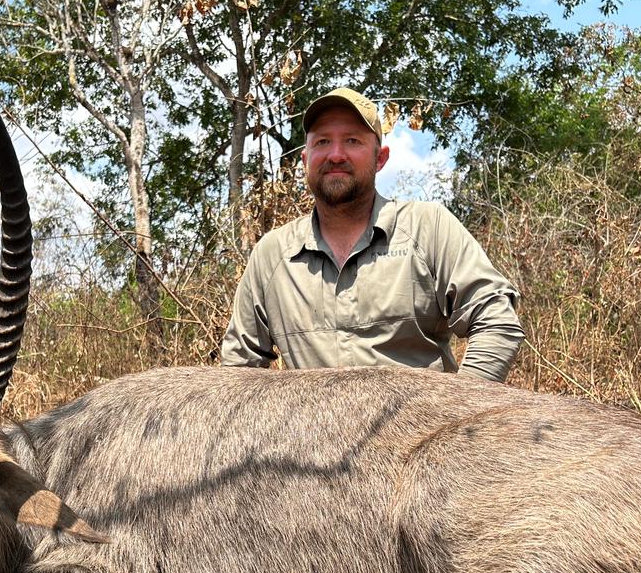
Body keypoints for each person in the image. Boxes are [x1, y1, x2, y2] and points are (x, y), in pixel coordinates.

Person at [220, 87, 524, 380]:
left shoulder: (427, 228)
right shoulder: (272, 254)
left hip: (423, 431)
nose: (336, 155)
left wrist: (459, 410)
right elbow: (239, 368)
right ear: (305, 161)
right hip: (311, 433)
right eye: (322, 142)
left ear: (380, 159)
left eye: (352, 141)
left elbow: (497, 320)